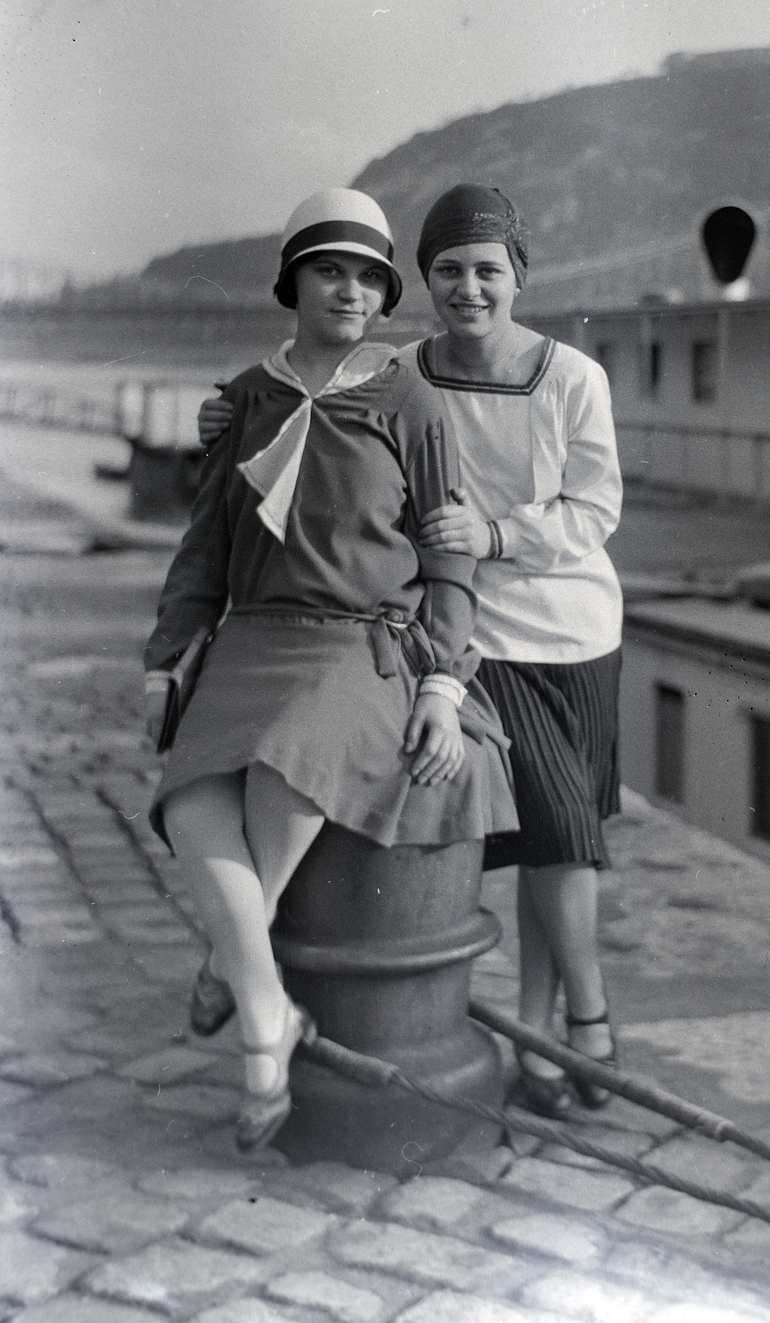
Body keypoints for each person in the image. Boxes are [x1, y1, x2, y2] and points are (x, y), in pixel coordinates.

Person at [200, 183, 623, 1118]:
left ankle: (557, 1021)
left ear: (519, 276)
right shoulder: (403, 373)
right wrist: (227, 420)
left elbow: (596, 510)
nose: (468, 288)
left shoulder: (571, 379)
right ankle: (579, 1027)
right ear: (422, 283)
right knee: (547, 835)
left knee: (564, 839)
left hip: (569, 632)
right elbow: (316, 415)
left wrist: (494, 535)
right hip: (464, 634)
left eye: (487, 271)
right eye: (446, 271)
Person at [146, 187, 516, 1152]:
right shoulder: (244, 400)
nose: (349, 290)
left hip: (359, 644)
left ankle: (247, 997)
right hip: (251, 638)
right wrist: (166, 661)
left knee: (284, 762)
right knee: (187, 800)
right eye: (329, 270)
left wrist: (442, 685)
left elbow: (450, 559)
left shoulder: (410, 399)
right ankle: (261, 996)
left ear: (385, 294)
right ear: (294, 283)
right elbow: (201, 551)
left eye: (368, 276)